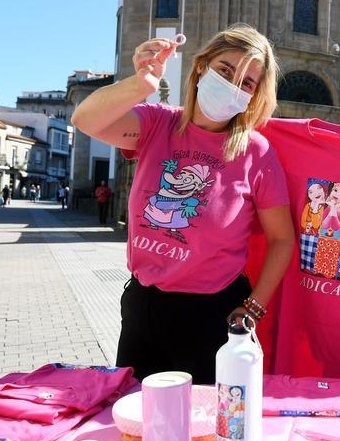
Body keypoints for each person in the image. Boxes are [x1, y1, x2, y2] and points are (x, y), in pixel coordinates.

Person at [71, 24, 293, 383]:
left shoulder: (256, 152)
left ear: (255, 96)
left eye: (247, 83)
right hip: (145, 306)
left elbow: (282, 239)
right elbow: (84, 119)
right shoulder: (158, 123)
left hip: (214, 315)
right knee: (137, 421)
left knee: (205, 431)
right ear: (202, 66)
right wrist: (141, 83)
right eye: (225, 70)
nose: (234, 86)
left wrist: (254, 307)